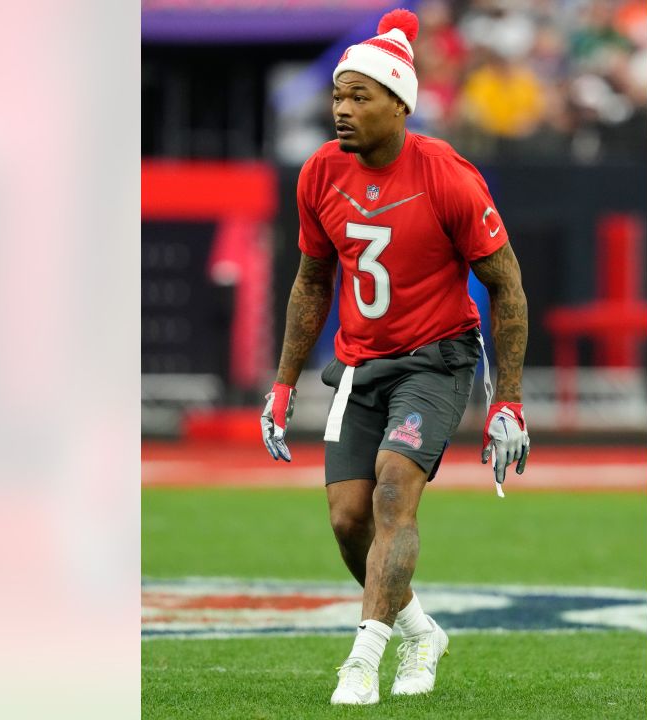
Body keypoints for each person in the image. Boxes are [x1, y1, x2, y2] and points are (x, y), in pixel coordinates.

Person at [259, 8, 531, 707]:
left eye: (359, 96)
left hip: (436, 359)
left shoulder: (447, 173)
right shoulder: (319, 173)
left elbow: (507, 286)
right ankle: (420, 631)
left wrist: (507, 399)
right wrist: (283, 383)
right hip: (359, 364)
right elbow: (312, 280)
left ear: (399, 103)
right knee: (348, 519)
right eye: (337, 96)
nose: (342, 109)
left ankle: (362, 659)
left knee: (389, 492)